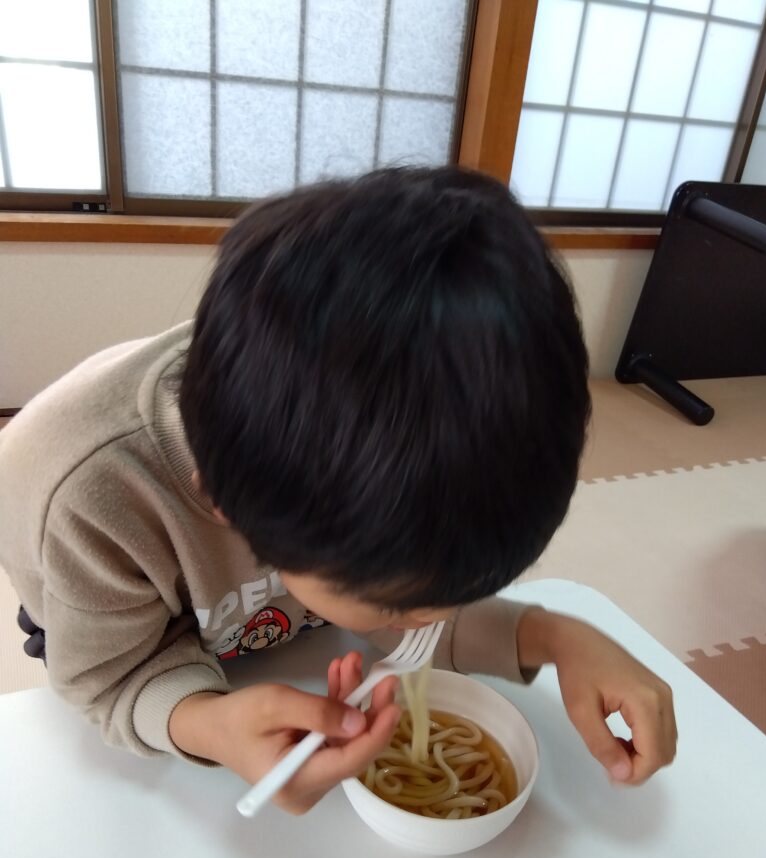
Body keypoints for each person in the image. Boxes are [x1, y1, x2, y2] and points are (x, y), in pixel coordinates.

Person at [0, 167, 676, 814]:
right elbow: (109, 677)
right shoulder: (94, 501)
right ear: (228, 506)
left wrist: (557, 637)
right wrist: (209, 724)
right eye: (402, 606)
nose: (432, 621)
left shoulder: (339, 490)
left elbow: (411, 593)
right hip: (95, 599)